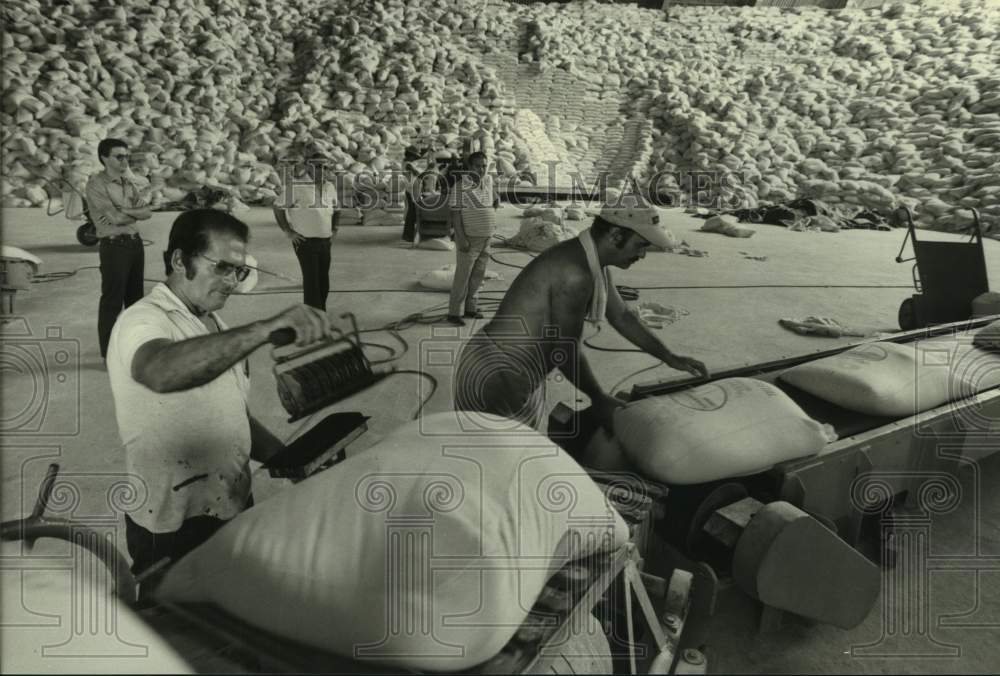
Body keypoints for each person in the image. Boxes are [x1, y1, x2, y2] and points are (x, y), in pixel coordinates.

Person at [106, 209, 333, 575]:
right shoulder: (143, 319)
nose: (231, 281)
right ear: (180, 260)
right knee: (174, 623)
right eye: (222, 267)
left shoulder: (212, 323)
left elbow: (230, 413)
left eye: (239, 271)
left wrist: (288, 460)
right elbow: (159, 370)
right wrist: (263, 329)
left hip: (230, 502)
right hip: (172, 522)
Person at [454, 197, 709, 432]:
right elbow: (564, 349)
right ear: (615, 234)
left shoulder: (593, 260)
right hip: (498, 373)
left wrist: (669, 356)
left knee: (520, 455)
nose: (642, 254)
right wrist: (598, 398)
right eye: (640, 245)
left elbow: (621, 316)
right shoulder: (576, 272)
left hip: (515, 370)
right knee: (499, 465)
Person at [86, 138, 152, 359]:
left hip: (135, 244)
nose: (125, 161)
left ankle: (134, 350)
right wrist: (129, 212)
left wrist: (125, 210)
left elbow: (147, 212)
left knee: (136, 301)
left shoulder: (127, 183)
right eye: (119, 156)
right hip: (114, 247)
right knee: (112, 302)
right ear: (105, 158)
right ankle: (109, 356)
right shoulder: (96, 184)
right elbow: (114, 218)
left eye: (126, 156)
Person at [274, 159, 338, 312]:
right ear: (309, 167)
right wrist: (288, 231)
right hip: (305, 242)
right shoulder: (297, 186)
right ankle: (313, 319)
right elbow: (277, 207)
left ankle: (321, 313)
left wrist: (335, 228)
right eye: (318, 166)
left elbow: (337, 208)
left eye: (325, 167)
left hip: (325, 240)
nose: (322, 170)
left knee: (323, 281)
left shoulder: (329, 186)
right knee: (312, 283)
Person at [447, 151, 499, 326]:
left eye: (484, 165)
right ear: (469, 167)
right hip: (470, 238)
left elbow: (493, 203)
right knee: (463, 276)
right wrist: (460, 239)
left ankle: (471, 308)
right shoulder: (460, 187)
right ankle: (454, 313)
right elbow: (455, 215)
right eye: (478, 166)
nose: (482, 169)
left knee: (478, 275)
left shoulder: (488, 182)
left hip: (486, 238)